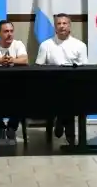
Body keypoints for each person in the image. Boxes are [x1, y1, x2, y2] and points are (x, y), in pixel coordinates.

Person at [35, 14, 89, 145]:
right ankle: (68, 131)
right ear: (55, 27)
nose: (62, 26)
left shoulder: (80, 45)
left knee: (71, 96)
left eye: (65, 23)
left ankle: (61, 121)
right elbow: (38, 67)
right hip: (52, 86)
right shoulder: (46, 45)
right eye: (59, 24)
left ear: (70, 26)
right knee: (64, 97)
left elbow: (85, 69)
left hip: (74, 86)